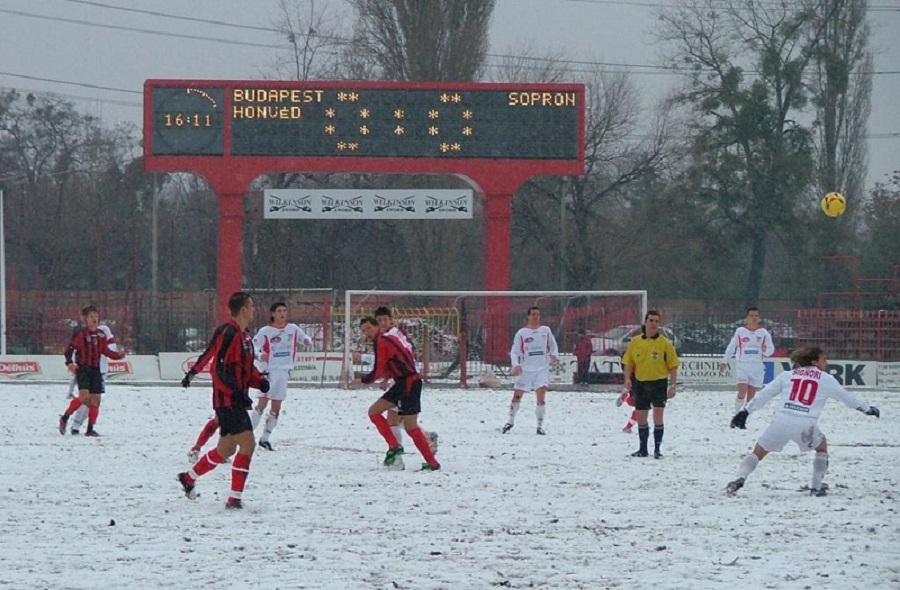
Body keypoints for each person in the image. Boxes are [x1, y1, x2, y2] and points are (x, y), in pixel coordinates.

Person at [726, 346, 880, 496]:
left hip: (781, 421)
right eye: (824, 359)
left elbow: (764, 395)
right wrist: (867, 409)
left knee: (758, 452)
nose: (826, 363)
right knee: (821, 448)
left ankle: (739, 478)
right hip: (806, 425)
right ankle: (815, 487)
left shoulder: (787, 375)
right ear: (814, 362)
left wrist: (745, 412)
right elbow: (848, 398)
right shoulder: (826, 379)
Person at [177, 291, 270, 509]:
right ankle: (234, 499)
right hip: (228, 400)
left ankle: (188, 478)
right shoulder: (228, 333)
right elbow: (219, 368)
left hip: (234, 399)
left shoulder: (245, 336)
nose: (254, 310)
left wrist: (259, 381)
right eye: (252, 306)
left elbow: (244, 368)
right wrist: (235, 392)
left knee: (225, 449)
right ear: (244, 309)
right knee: (248, 444)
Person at [350, 316, 440, 472]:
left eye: (368, 328)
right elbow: (394, 363)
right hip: (408, 382)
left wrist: (363, 380)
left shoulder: (382, 341)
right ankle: (430, 463)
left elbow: (379, 368)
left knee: (378, 414)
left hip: (407, 383)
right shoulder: (388, 339)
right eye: (363, 331)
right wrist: (387, 377)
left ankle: (396, 447)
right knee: (406, 425)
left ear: (377, 326)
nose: (366, 333)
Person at [373, 306, 438, 457]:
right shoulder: (395, 334)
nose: (382, 322)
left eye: (385, 319)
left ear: (391, 320)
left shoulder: (391, 336)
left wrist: (386, 377)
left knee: (393, 420)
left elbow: (399, 358)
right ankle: (425, 438)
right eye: (379, 320)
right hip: (403, 379)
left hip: (404, 381)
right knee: (398, 418)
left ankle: (397, 454)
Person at [249, 301, 313, 451]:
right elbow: (254, 347)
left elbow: (304, 338)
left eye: (284, 311)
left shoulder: (293, 329)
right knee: (262, 403)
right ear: (273, 314)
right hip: (268, 371)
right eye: (279, 311)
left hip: (283, 371)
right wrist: (260, 355)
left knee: (276, 406)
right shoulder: (265, 331)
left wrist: (307, 340)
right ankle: (247, 434)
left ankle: (265, 439)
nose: (282, 314)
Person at [58, 306, 126, 437]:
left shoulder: (101, 335)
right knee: (84, 397)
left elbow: (105, 351)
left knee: (96, 400)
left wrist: (118, 356)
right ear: (85, 319)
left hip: (96, 370)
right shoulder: (81, 334)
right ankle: (65, 418)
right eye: (91, 317)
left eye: (96, 316)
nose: (94, 319)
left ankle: (90, 429)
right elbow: (69, 349)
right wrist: (70, 362)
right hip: (83, 369)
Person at [621, 310, 679, 458]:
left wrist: (673, 386)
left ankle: (657, 449)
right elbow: (629, 362)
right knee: (641, 416)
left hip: (659, 383)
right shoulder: (635, 342)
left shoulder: (665, 344)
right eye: (651, 320)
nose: (653, 324)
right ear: (645, 322)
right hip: (640, 383)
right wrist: (627, 379)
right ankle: (642, 449)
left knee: (658, 416)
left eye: (656, 321)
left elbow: (673, 366)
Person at [502, 306, 560, 435]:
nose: (536, 316)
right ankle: (510, 421)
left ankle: (539, 426)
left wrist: (554, 354)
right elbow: (514, 351)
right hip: (526, 370)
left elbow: (553, 346)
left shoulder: (546, 330)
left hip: (542, 368)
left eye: (538, 314)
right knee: (517, 396)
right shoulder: (522, 333)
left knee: (541, 397)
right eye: (533, 314)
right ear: (528, 316)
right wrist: (516, 364)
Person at [65, 321, 118, 435]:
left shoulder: (103, 330)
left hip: (99, 370)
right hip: (87, 369)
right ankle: (75, 424)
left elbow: (111, 348)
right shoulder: (83, 333)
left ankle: (81, 426)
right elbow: (74, 350)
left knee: (93, 401)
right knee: (87, 399)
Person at [720, 307, 775, 413]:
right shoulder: (740, 331)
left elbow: (771, 348)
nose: (754, 318)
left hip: (757, 366)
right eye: (751, 316)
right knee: (742, 390)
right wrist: (724, 362)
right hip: (743, 365)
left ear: (759, 318)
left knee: (751, 394)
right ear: (747, 317)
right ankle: (737, 413)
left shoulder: (763, 332)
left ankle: (744, 414)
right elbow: (731, 347)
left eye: (756, 316)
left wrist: (765, 352)